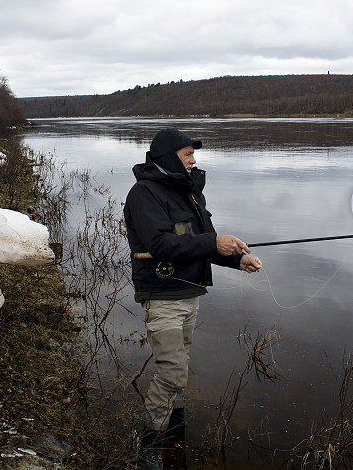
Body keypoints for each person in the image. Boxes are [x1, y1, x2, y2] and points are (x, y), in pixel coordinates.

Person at [123, 128, 263, 469]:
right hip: (162, 294)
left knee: (179, 364)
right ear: (171, 157)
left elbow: (204, 239)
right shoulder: (144, 194)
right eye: (187, 154)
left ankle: (175, 425)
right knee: (171, 372)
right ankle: (151, 447)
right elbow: (161, 245)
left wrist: (236, 258)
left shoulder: (190, 193)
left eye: (192, 154)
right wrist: (213, 245)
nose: (193, 160)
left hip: (190, 292)